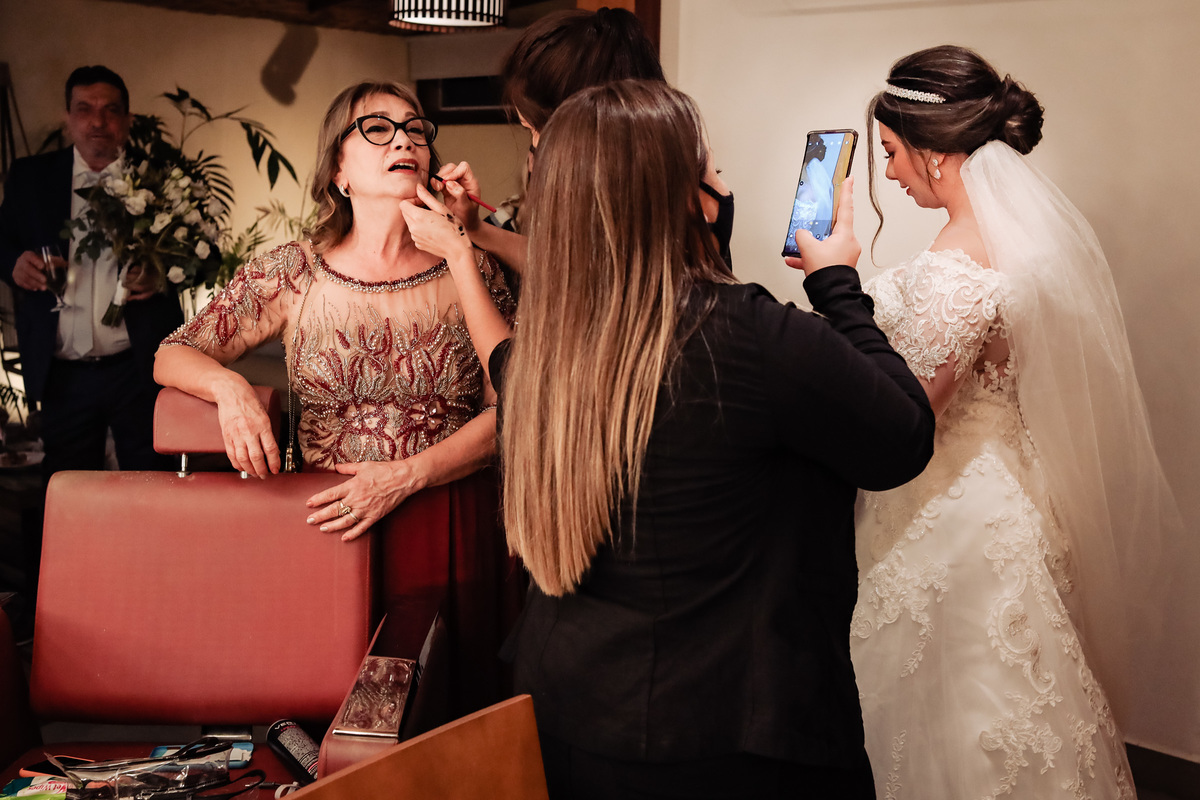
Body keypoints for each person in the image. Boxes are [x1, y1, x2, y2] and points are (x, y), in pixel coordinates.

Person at [400, 79, 934, 799]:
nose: (722, 183)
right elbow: (904, 437)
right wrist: (838, 283)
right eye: (710, 169)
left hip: (571, 716)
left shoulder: (548, 350)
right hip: (730, 735)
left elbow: (503, 360)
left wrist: (466, 250)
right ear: (682, 198)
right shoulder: (752, 335)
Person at [848, 45, 1186, 798]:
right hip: (1002, 490)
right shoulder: (1012, 246)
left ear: (936, 152)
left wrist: (834, 290)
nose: (891, 174)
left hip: (944, 516)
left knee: (954, 707)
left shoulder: (956, 267)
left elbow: (906, 416)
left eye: (892, 153)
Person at [154, 80, 518, 714]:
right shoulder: (293, 271)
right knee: (333, 722)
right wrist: (230, 388)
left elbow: (512, 410)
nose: (404, 140)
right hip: (332, 528)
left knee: (452, 721)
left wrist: (409, 474)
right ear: (339, 173)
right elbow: (172, 352)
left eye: (415, 128)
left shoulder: (472, 266)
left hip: (451, 523)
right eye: (377, 128)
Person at [436, 7, 736, 276]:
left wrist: (465, 246)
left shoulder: (671, 209)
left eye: (536, 129)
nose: (534, 153)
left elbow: (580, 276)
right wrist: (474, 228)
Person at [0, 66, 182, 478]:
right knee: (69, 489)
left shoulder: (161, 179)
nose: (97, 121)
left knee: (152, 482)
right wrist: (13, 264)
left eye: (110, 110)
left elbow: (199, 256)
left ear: (127, 120)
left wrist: (161, 274)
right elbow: (1, 241)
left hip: (139, 368)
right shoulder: (31, 177)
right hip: (64, 372)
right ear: (68, 117)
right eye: (84, 109)